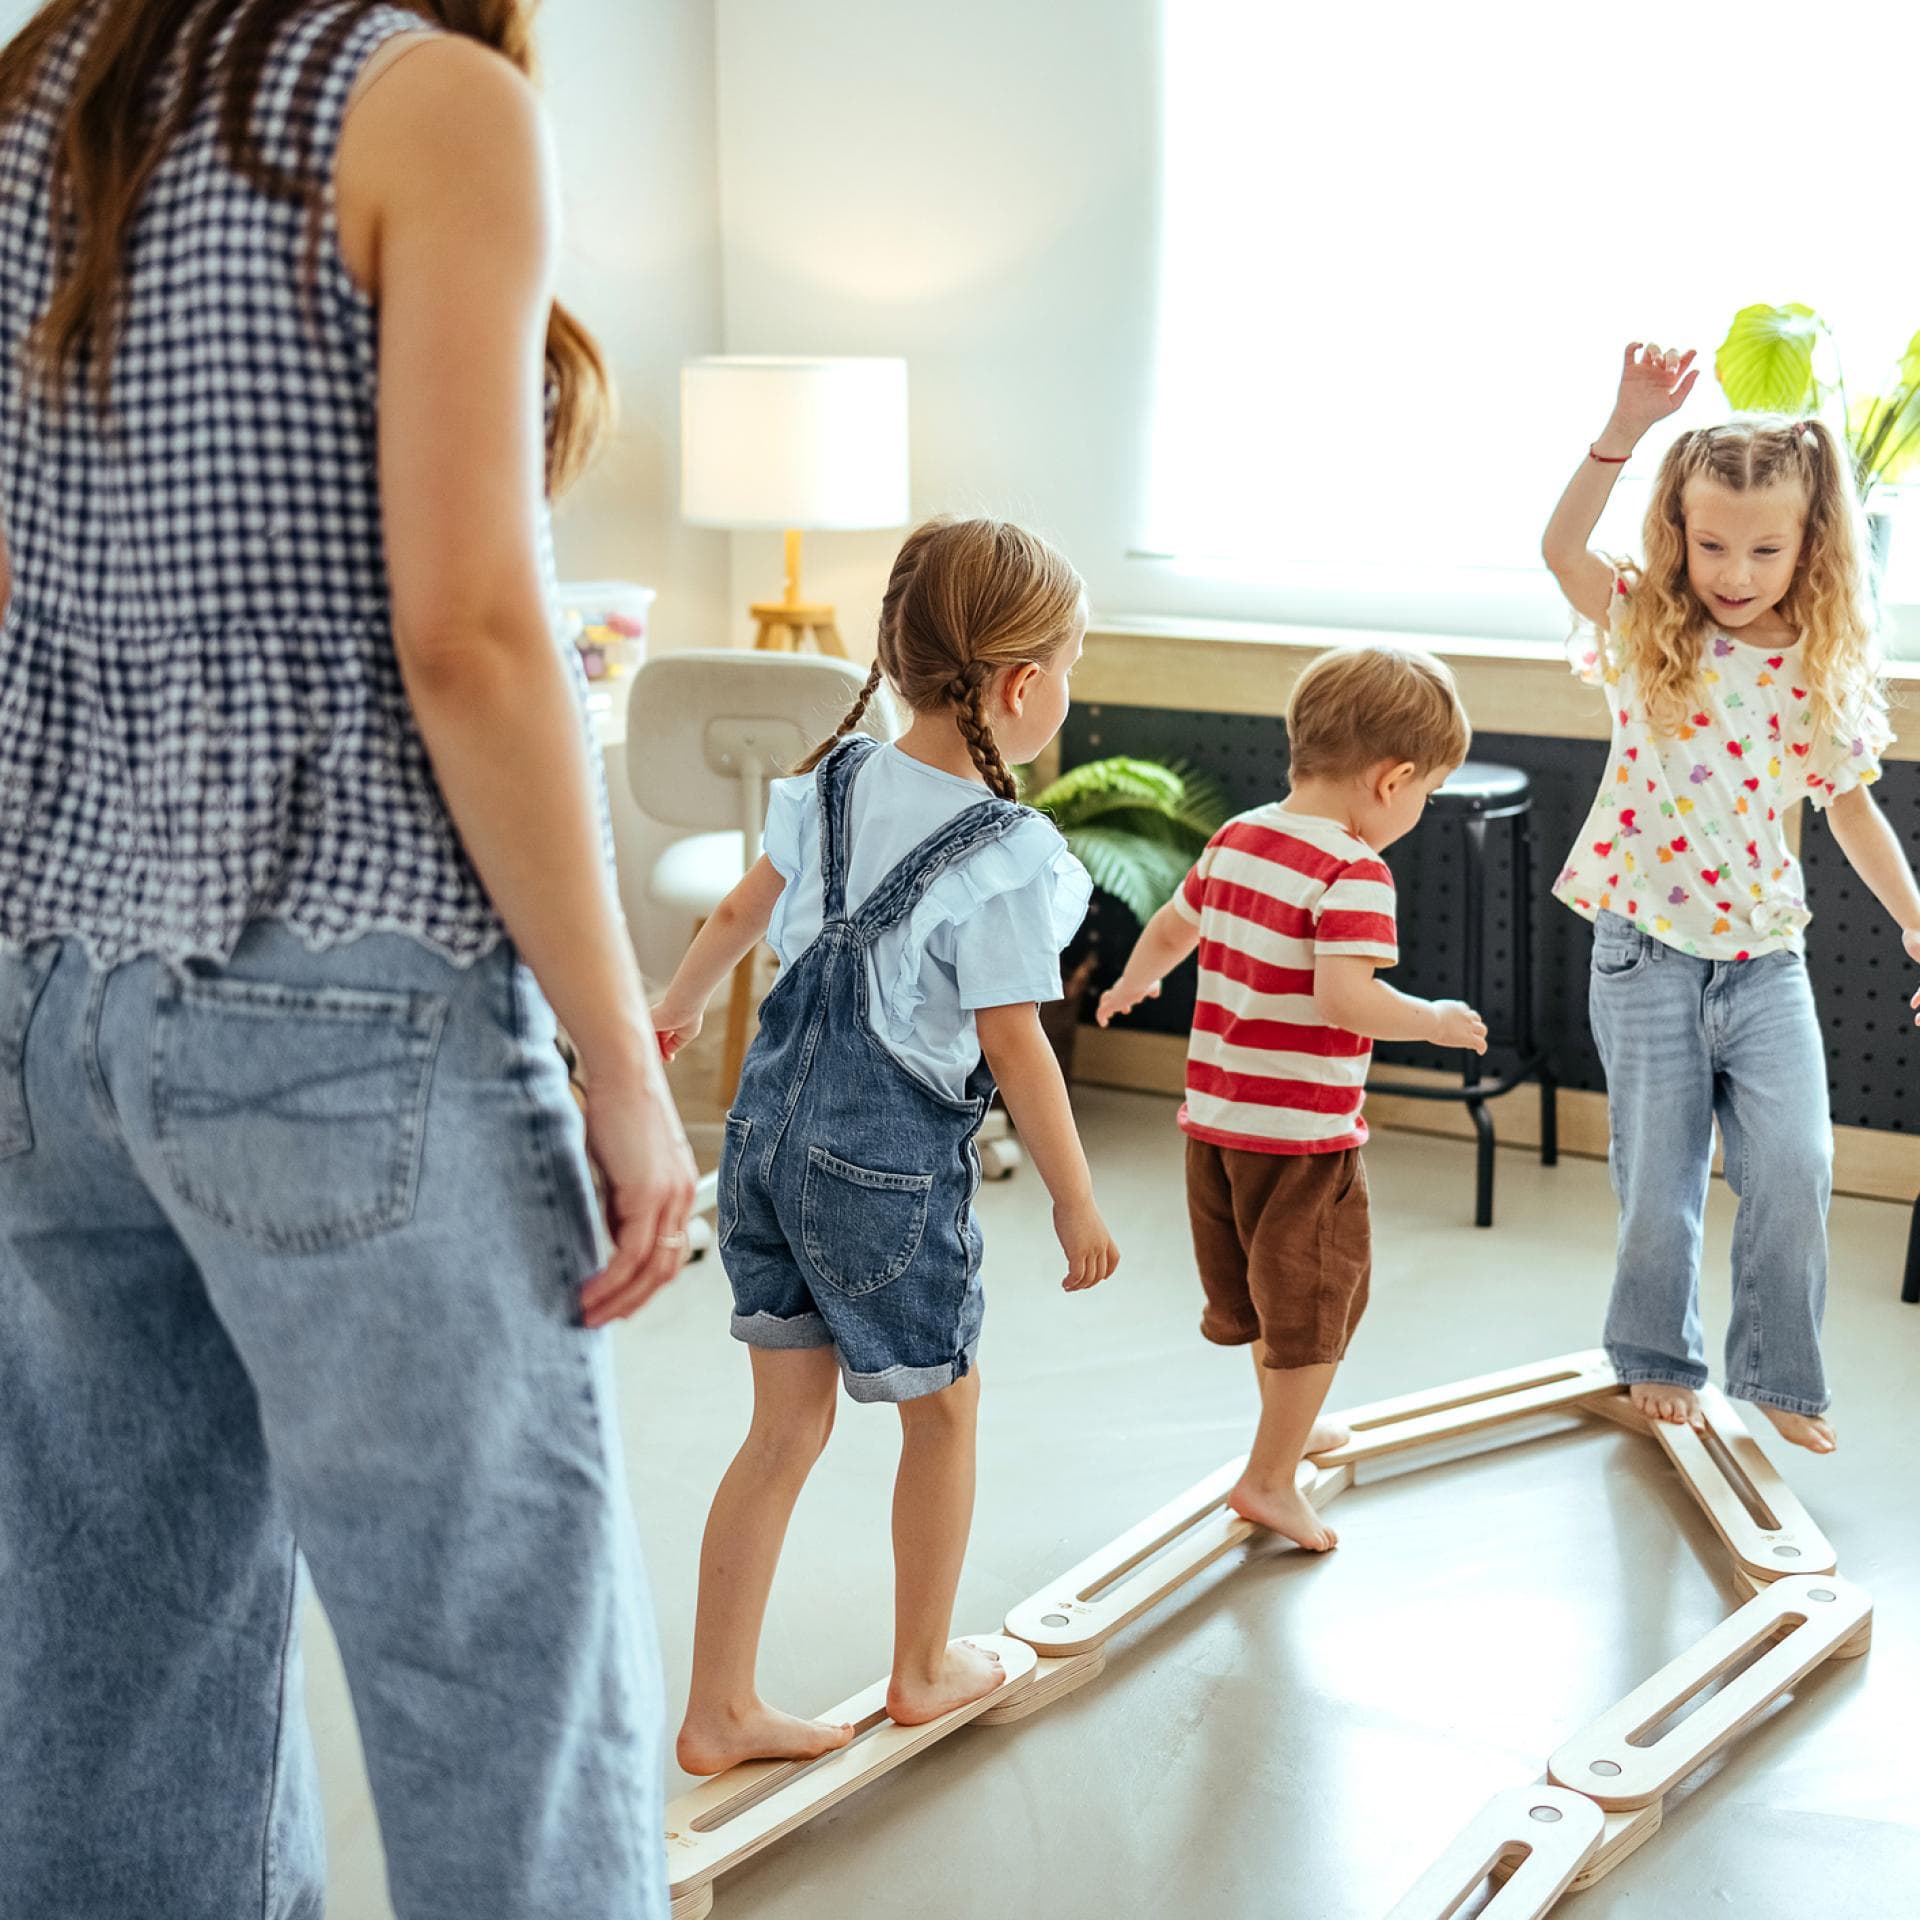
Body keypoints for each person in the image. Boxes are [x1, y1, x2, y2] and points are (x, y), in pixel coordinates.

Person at [0, 5, 693, 1915]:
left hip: (43, 1003)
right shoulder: (423, 103)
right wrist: (621, 1061)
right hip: (346, 1001)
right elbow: (468, 632)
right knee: (494, 1670)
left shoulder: (38, 91)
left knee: (103, 1668)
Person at [652, 517, 1120, 1773]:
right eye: (1067, 668)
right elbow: (1016, 1050)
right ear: (1020, 686)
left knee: (782, 1434)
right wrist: (1075, 1200)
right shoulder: (1009, 853)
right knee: (943, 1418)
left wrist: (680, 1001)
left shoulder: (839, 777)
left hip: (759, 1145)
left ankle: (717, 1709)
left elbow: (747, 908)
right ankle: (922, 1669)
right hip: (881, 1174)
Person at [1542, 341, 1920, 1454]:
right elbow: (1560, 546)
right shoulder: (1644, 628)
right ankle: (1656, 1359)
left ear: (1811, 544)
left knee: (1798, 1165)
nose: (1734, 570)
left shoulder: (1818, 665)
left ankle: (1778, 1373)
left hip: (1766, 960)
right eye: (1710, 543)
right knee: (1659, 1188)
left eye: (1763, 547)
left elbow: (1849, 805)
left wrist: (1914, 914)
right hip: (1645, 951)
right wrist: (1622, 425)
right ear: (1678, 532)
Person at [1097, 643, 1483, 1550]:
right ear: (1393, 780)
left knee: (1274, 1299)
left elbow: (1170, 925)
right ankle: (1269, 1480)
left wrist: (1130, 984)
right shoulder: (1355, 873)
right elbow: (1344, 999)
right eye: (1425, 793)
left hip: (1217, 1125)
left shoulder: (1239, 837)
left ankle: (1289, 1433)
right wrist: (1430, 1019)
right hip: (1305, 1137)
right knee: (1317, 1306)